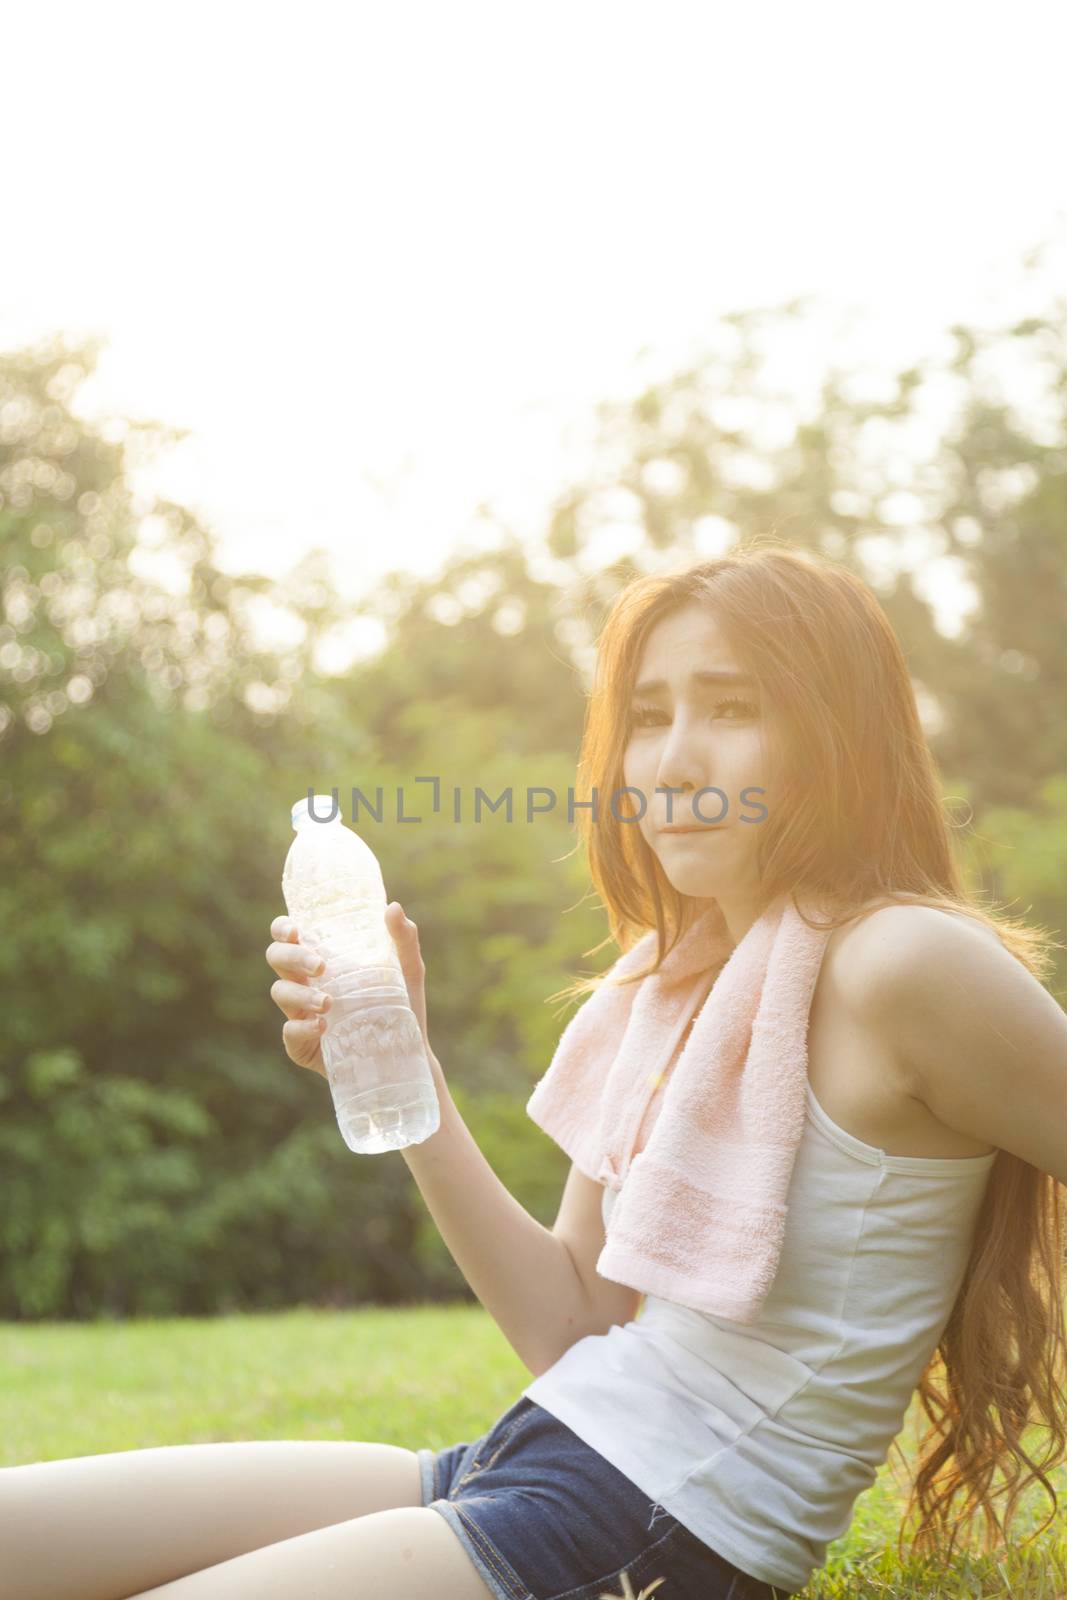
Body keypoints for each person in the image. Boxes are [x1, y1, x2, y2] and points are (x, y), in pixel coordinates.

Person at [6, 541, 1066, 1600]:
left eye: (731, 708)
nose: (672, 761)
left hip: (647, 1528)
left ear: (838, 737)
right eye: (648, 717)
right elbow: (571, 1325)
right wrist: (403, 1067)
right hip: (521, 1461)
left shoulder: (902, 960)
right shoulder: (672, 982)